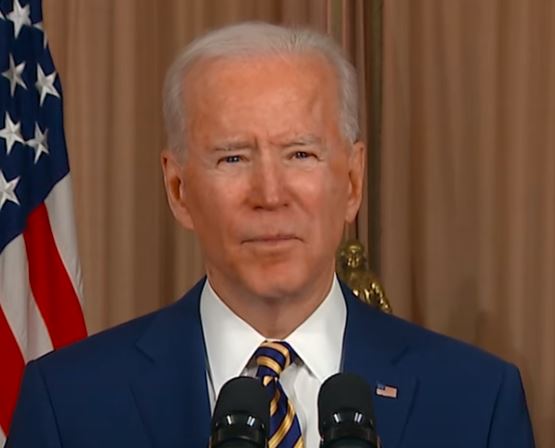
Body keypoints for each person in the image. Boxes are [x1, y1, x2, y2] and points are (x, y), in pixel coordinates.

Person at [6, 22, 534, 448]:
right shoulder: (69, 404)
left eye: (300, 154)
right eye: (233, 158)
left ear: (352, 182)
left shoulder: (477, 401)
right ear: (178, 189)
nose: (270, 193)